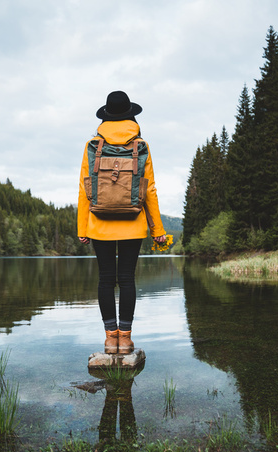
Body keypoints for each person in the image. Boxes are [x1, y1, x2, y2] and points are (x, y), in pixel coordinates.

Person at [77, 90, 167, 354]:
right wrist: (157, 230)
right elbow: (149, 190)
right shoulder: (141, 146)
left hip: (98, 222)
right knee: (126, 279)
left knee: (106, 279)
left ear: (106, 116)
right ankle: (125, 339)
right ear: (131, 115)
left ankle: (109, 339)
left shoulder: (93, 145)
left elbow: (84, 188)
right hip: (134, 222)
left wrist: (82, 228)